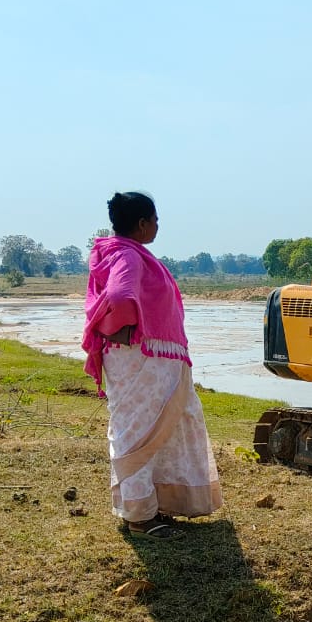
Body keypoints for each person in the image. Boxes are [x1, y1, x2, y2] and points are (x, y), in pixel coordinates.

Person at [81, 192, 223, 541]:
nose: (158, 225)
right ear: (142, 223)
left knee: (152, 428)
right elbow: (117, 297)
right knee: (139, 433)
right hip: (139, 357)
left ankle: (150, 506)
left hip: (144, 357)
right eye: (155, 219)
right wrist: (127, 330)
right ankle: (140, 518)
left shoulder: (118, 253)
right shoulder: (127, 256)